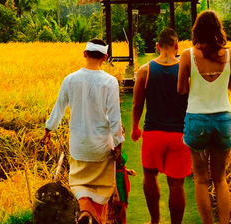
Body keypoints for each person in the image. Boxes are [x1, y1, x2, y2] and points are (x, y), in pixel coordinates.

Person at [42, 39, 124, 224]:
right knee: (102, 187)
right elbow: (114, 116)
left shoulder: (70, 80)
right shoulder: (109, 82)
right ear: (105, 57)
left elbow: (59, 108)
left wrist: (48, 130)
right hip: (101, 146)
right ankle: (94, 216)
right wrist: (118, 143)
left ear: (84, 53)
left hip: (79, 147)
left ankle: (85, 211)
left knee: (79, 184)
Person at [177, 10, 231, 224]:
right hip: (223, 118)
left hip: (197, 119)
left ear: (197, 30)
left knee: (201, 180)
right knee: (220, 178)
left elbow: (181, 89)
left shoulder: (188, 55)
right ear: (218, 30)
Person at [131, 28, 191, 224]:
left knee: (149, 174)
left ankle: (154, 220)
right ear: (177, 46)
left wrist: (134, 127)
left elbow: (137, 104)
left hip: (153, 132)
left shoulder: (145, 70)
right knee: (176, 185)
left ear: (157, 46)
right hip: (179, 134)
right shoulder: (186, 70)